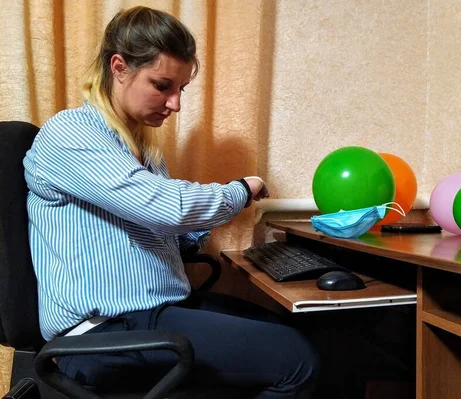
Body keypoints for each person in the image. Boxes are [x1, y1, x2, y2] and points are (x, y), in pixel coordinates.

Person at [23, 6, 319, 398]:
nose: (175, 103)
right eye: (162, 85)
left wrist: (204, 221)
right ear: (119, 67)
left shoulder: (140, 147)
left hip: (150, 315)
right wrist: (240, 190)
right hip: (104, 333)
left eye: (180, 89)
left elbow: (164, 230)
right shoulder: (70, 134)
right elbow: (168, 209)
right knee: (298, 360)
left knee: (298, 331)